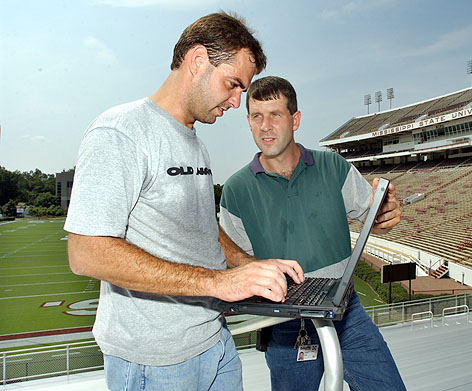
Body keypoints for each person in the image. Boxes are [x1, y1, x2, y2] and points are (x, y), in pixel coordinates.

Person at [64, 14, 303, 391]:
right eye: (233, 84)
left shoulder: (194, 141)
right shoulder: (120, 132)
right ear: (197, 61)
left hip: (214, 340)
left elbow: (202, 227)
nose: (238, 100)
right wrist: (219, 283)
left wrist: (250, 266)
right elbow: (86, 253)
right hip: (155, 361)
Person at [220, 76, 406, 390]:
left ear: (295, 120)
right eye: (256, 116)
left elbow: (373, 214)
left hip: (346, 311)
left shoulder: (333, 166)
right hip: (285, 324)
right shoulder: (236, 190)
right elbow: (235, 257)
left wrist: (386, 213)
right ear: (249, 122)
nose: (265, 125)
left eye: (275, 115)